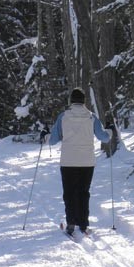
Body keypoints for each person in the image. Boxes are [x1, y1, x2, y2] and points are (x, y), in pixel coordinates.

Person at [41, 88, 111, 236]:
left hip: (68, 161)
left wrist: (45, 134)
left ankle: (71, 223)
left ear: (71, 101)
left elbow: (53, 140)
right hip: (87, 162)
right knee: (83, 193)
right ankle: (84, 224)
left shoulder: (63, 117)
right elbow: (104, 138)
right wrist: (110, 130)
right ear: (84, 101)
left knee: (69, 193)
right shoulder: (91, 118)